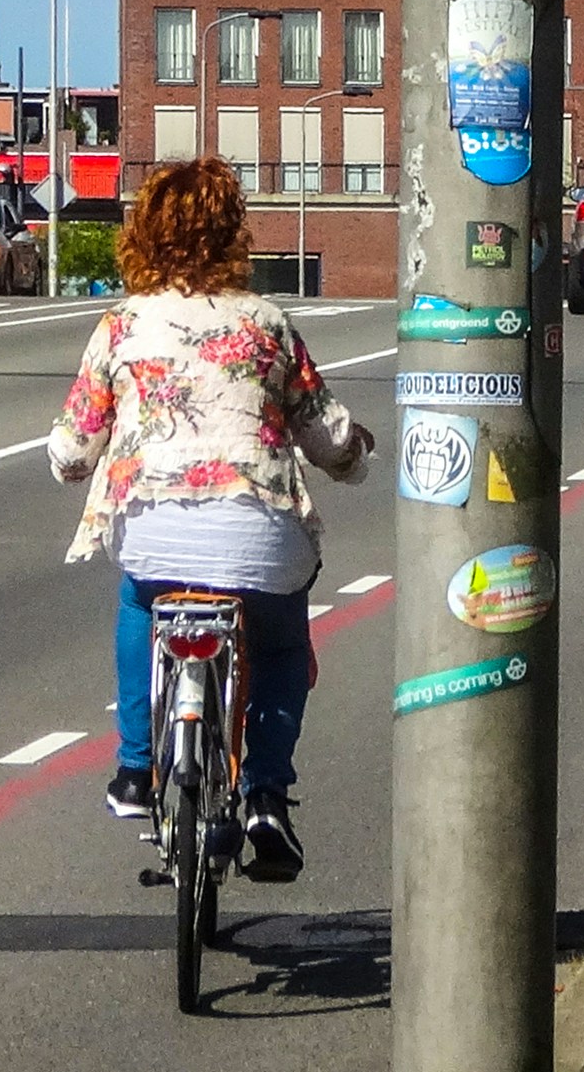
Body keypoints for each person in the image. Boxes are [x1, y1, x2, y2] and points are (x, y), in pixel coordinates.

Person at [47, 159, 370, 883]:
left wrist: (71, 457)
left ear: (142, 235)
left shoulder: (122, 325)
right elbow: (328, 438)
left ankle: (135, 770)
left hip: (153, 530)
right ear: (234, 235)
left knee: (139, 599)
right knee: (281, 647)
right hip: (259, 533)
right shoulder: (267, 323)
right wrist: (356, 457)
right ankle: (266, 795)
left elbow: (73, 452)